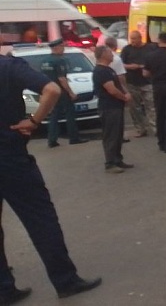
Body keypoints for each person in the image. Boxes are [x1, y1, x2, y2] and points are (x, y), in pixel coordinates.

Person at [0, 54, 102, 302]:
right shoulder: (8, 66)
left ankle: (4, 289)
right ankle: (65, 280)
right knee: (40, 218)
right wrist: (34, 121)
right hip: (10, 155)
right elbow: (52, 89)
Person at [40, 39, 89, 148]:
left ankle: (52, 140)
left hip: (51, 91)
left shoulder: (45, 61)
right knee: (70, 114)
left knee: (54, 115)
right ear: (56, 47)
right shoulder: (59, 60)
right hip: (61, 91)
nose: (63, 49)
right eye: (62, 46)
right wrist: (71, 93)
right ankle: (74, 138)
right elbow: (62, 79)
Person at [92, 46, 133, 174]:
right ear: (103, 54)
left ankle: (117, 159)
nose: (112, 55)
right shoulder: (101, 71)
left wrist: (126, 93)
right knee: (111, 135)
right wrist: (124, 97)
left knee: (118, 134)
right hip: (109, 107)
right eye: (110, 53)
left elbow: (118, 84)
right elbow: (111, 89)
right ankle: (110, 163)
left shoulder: (109, 69)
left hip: (116, 106)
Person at [120, 30, 157, 137]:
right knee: (134, 108)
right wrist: (131, 66)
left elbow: (154, 62)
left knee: (151, 106)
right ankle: (141, 128)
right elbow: (121, 64)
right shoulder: (127, 49)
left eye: (134, 39)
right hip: (132, 82)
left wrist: (142, 67)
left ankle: (155, 128)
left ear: (140, 38)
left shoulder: (149, 48)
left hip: (147, 82)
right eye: (131, 39)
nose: (132, 41)